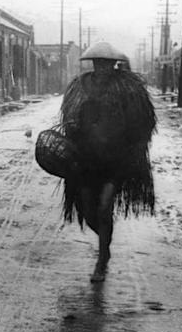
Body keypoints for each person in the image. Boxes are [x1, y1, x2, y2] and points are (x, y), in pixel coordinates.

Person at [58, 41, 156, 282]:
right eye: (98, 64)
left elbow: (145, 122)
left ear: (115, 65)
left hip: (115, 161)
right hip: (86, 161)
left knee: (104, 207)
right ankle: (105, 242)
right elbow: (68, 119)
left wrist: (132, 145)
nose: (103, 69)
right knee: (88, 209)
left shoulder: (127, 88)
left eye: (107, 64)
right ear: (92, 64)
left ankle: (102, 259)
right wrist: (72, 129)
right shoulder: (79, 87)